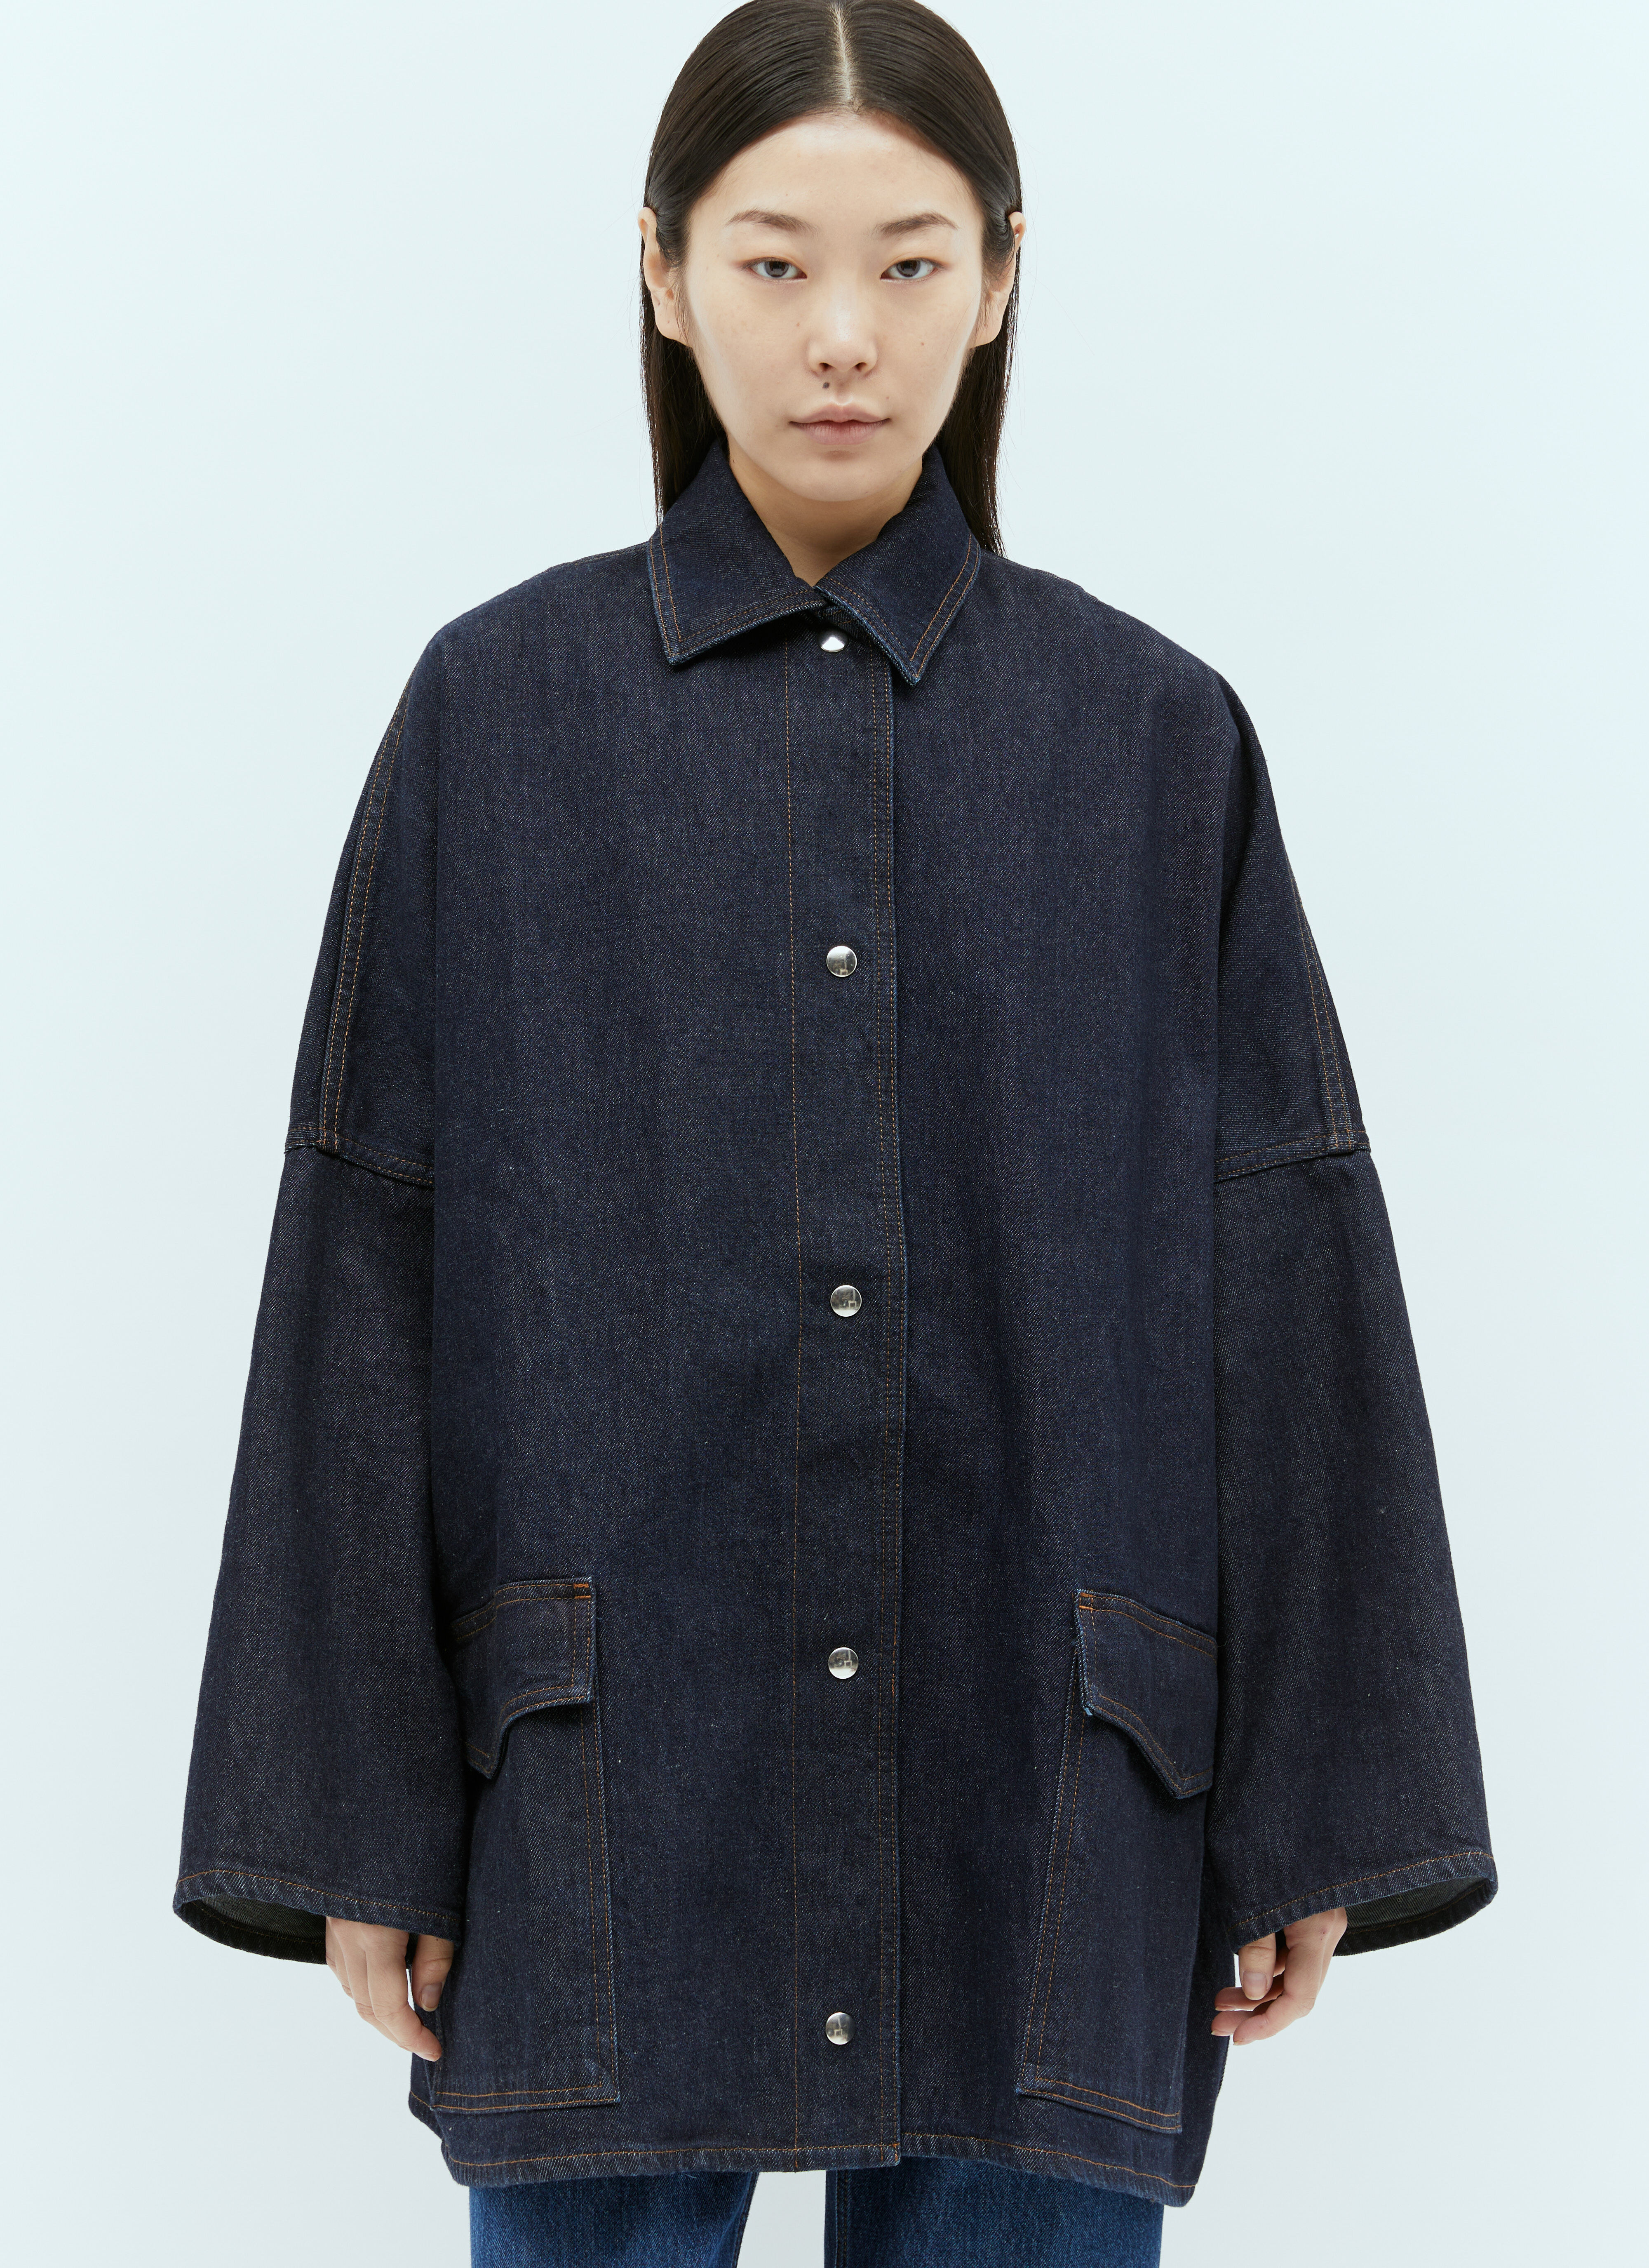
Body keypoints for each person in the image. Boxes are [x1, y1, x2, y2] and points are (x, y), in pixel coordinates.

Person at [172, 4, 1496, 2262]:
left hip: (1048, 1765)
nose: (844, 336)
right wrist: (357, 1826)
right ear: (665, 274)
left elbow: (1291, 1271)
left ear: (1002, 275)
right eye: (775, 263)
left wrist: (1310, 1809)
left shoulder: (1153, 739)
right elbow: (362, 1265)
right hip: (603, 1780)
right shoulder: (496, 717)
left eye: (908, 262)